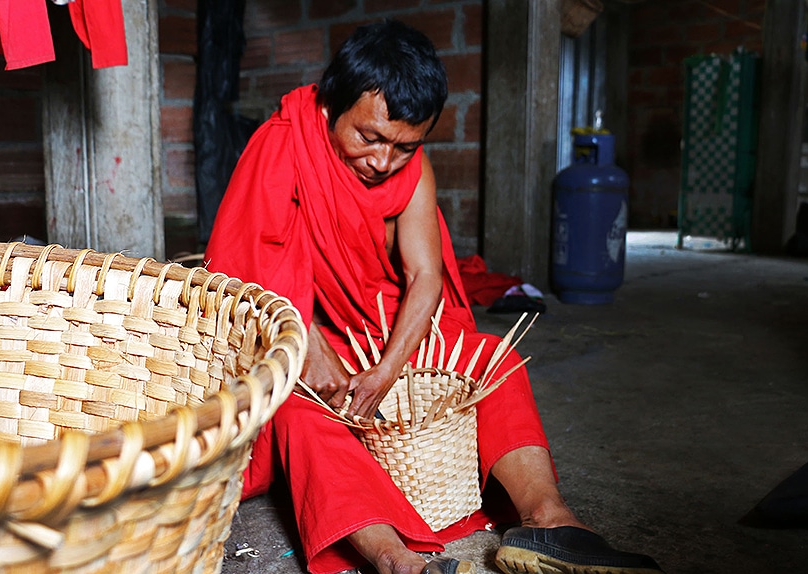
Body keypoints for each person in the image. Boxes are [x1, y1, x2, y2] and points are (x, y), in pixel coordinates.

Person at [204, 19, 663, 574]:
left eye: (404, 146)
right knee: (297, 413)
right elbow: (241, 270)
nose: (383, 162)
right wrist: (303, 337)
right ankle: (396, 559)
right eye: (369, 138)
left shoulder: (411, 169)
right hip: (305, 332)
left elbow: (426, 276)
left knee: (494, 359)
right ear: (329, 107)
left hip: (389, 331)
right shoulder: (284, 142)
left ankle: (549, 520)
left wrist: (386, 371)